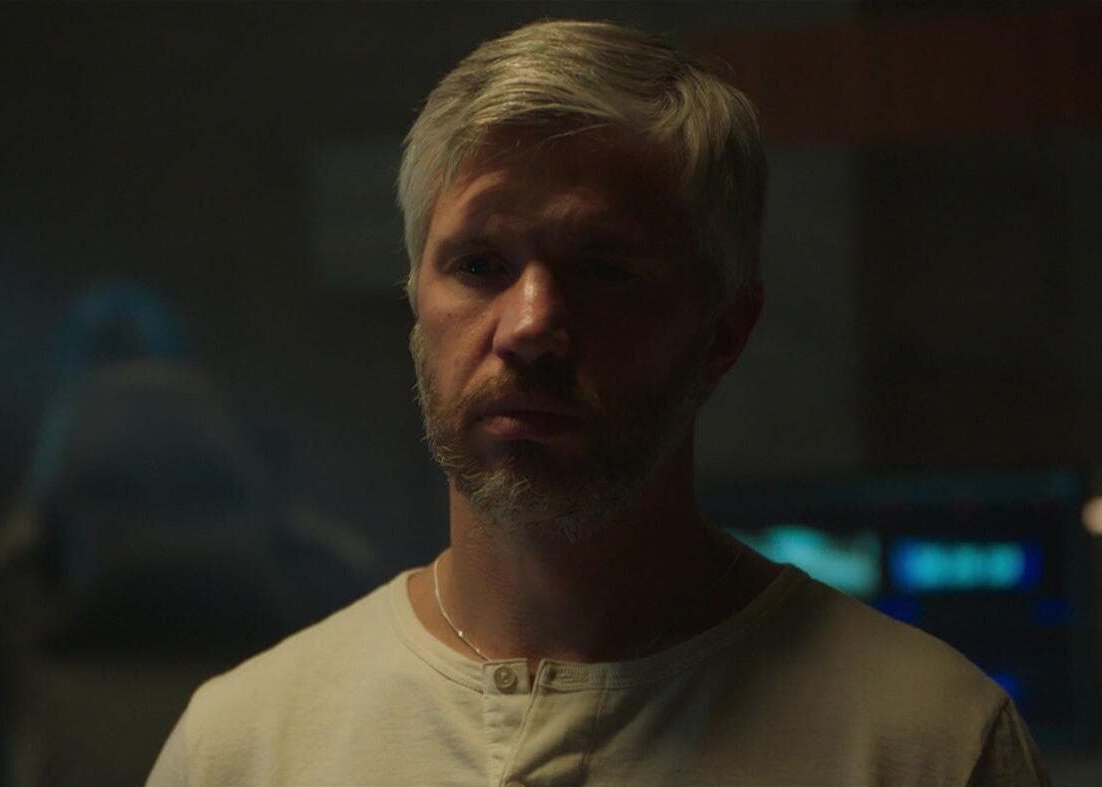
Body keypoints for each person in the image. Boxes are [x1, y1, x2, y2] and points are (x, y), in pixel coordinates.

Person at [146, 19, 1050, 787]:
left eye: (604, 269)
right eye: (479, 264)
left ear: (722, 334)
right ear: (417, 302)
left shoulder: (925, 744)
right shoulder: (245, 747)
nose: (530, 326)